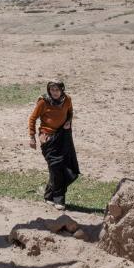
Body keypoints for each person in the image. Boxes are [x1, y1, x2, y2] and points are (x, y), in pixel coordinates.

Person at [27, 80, 80, 210]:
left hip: (63, 136)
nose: (54, 93)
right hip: (48, 138)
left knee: (64, 167)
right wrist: (33, 137)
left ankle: (49, 195)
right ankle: (59, 199)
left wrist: (68, 121)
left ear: (62, 90)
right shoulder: (43, 102)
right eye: (52, 90)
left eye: (57, 90)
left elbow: (70, 112)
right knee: (56, 167)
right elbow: (32, 118)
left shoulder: (67, 99)